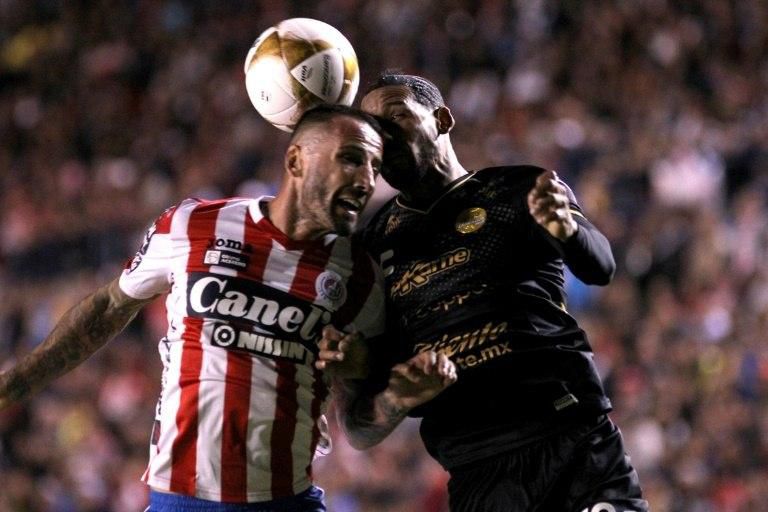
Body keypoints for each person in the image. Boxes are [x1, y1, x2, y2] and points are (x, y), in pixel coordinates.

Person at [0, 104, 456, 512]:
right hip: (179, 500)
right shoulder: (194, 223)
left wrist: (390, 394)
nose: (366, 180)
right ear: (295, 159)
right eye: (352, 158)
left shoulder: (360, 277)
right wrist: (20, 379)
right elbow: (108, 308)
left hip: (285, 502)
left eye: (375, 166)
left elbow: (359, 427)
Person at [325, 74, 649, 512]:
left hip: (571, 440)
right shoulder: (370, 247)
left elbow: (601, 266)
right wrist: (396, 397)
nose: (383, 134)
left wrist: (568, 232)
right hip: (478, 472)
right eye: (373, 127)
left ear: (442, 118)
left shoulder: (517, 190)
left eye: (397, 116)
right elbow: (360, 428)